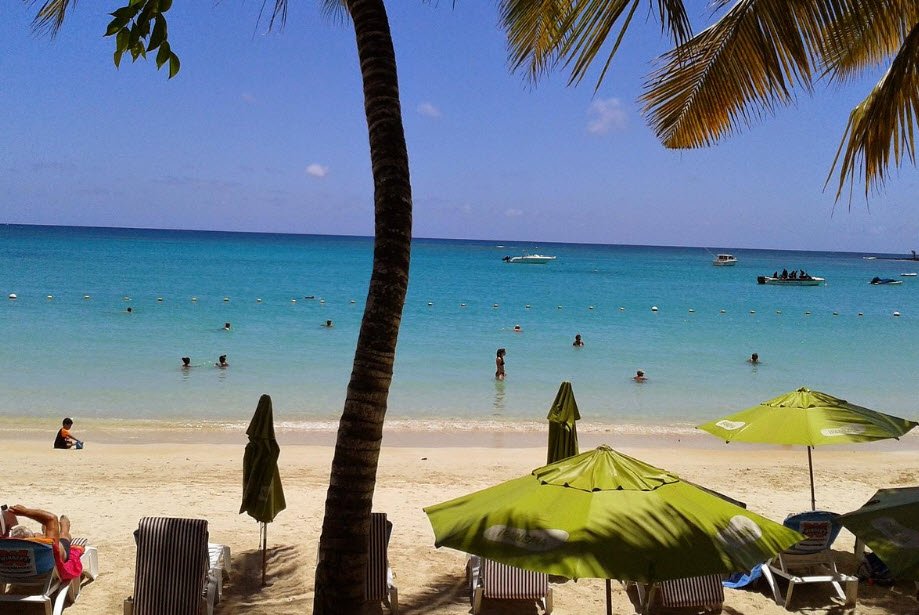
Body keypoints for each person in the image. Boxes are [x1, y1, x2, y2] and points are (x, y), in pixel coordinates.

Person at [1, 504, 84, 582]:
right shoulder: (44, 545)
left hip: (16, 574)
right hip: (46, 569)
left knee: (42, 536)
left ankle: (46, 531)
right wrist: (24, 511)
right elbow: (51, 518)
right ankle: (64, 527)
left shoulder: (5, 545)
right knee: (63, 536)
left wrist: (6, 528)